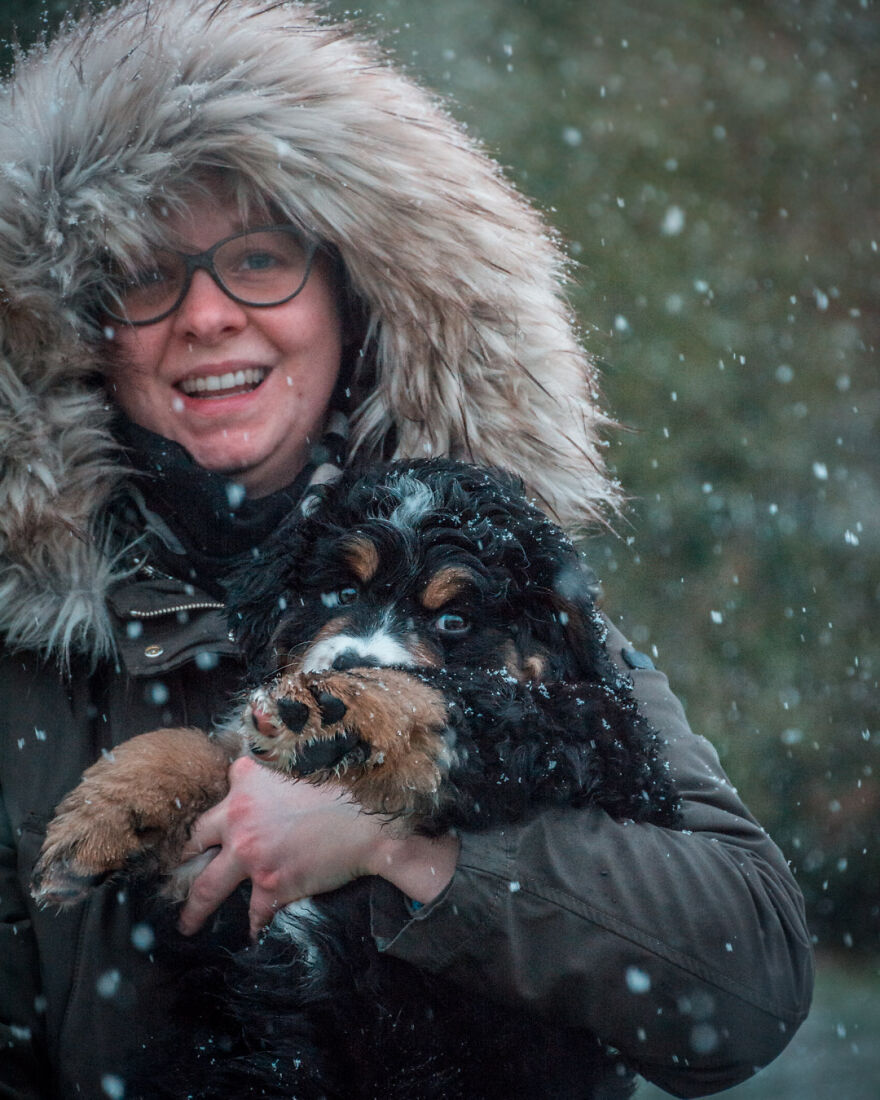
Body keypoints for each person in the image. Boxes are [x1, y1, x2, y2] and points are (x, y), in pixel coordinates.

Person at [0, 1, 812, 1098]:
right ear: (79, 331)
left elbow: (749, 981)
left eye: (259, 258)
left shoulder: (499, 582)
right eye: (146, 276)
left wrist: (405, 850)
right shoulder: (25, 662)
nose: (206, 316)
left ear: (351, 297)